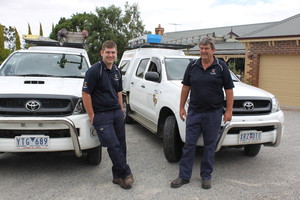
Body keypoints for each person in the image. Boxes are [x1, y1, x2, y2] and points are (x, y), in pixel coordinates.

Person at [171, 37, 234, 189]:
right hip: (194, 113)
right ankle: (184, 176)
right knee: (189, 145)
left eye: (206, 48)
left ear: (213, 50)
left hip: (213, 113)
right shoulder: (192, 66)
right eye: (201, 48)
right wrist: (181, 107)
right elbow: (186, 87)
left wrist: (229, 111)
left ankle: (206, 176)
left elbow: (229, 90)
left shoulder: (221, 67)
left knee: (209, 146)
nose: (204, 51)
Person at [82, 40, 134, 189]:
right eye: (108, 52)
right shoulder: (94, 71)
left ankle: (117, 177)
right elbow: (85, 94)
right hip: (102, 115)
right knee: (113, 145)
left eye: (113, 52)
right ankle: (126, 173)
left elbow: (118, 90)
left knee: (121, 145)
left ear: (116, 53)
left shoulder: (117, 71)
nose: (110, 55)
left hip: (116, 113)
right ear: (102, 53)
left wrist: (120, 108)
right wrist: (91, 115)